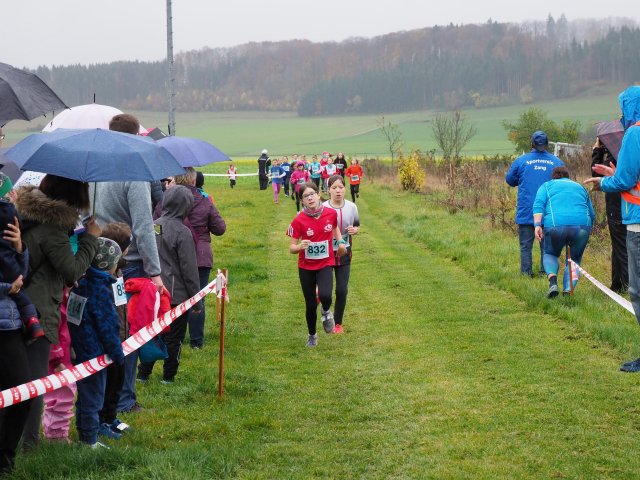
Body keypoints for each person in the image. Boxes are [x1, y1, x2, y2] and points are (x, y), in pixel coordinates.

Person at [15, 176, 100, 449]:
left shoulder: (28, 215)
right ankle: (29, 445)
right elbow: (72, 271)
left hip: (17, 307)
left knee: (16, 381)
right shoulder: (52, 227)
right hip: (38, 312)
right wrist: (90, 238)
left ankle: (16, 442)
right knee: (34, 384)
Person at [92, 113, 164, 414]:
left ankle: (99, 399)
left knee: (100, 332)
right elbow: (144, 227)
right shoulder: (134, 172)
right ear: (135, 137)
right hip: (128, 263)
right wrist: (155, 272)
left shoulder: (95, 168)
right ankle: (124, 399)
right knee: (128, 333)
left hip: (95, 259)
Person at [585, 86, 640, 372]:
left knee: (637, 292)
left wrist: (604, 182)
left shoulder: (634, 133)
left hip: (637, 223)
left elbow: (625, 181)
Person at [154, 168, 226, 349]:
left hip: (169, 254)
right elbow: (220, 228)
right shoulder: (204, 201)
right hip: (200, 255)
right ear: (194, 181)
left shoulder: (166, 199)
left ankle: (168, 336)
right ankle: (196, 341)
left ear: (176, 180)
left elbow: (156, 223)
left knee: (169, 296)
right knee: (197, 296)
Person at [138, 186, 202, 382]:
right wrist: (196, 300)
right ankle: (168, 376)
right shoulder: (183, 232)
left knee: (151, 335)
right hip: (176, 296)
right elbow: (189, 270)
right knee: (174, 338)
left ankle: (143, 374)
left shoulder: (151, 226)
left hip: (151, 292)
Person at [68, 238, 125, 448]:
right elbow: (108, 326)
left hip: (78, 348)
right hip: (94, 353)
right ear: (110, 265)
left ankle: (84, 432)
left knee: (85, 396)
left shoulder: (80, 284)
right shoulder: (101, 289)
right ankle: (89, 440)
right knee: (93, 397)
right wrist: (117, 354)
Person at [287, 182, 347, 347]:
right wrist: (300, 246)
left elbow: (335, 229)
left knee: (326, 295)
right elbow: (292, 248)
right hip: (306, 267)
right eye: (305, 196)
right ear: (302, 201)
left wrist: (341, 242)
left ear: (319, 194)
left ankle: (326, 311)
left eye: (312, 194)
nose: (310, 198)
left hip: (325, 262)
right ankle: (312, 335)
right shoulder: (298, 220)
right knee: (310, 304)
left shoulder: (330, 213)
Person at [0, 219, 34, 475]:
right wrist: (6, 287)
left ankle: (5, 460)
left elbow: (22, 277)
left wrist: (19, 247)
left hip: (9, 325)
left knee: (21, 394)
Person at [505, 131, 564, 277]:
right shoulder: (557, 162)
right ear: (547, 144)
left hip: (527, 210)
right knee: (547, 246)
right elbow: (563, 184)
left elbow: (510, 180)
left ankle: (526, 274)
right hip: (548, 211)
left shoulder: (521, 161)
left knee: (525, 245)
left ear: (532, 143)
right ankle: (546, 273)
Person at [533, 167, 595, 298]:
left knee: (550, 254)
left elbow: (538, 205)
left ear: (553, 176)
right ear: (568, 176)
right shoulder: (580, 187)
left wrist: (537, 225)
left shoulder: (546, 186)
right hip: (582, 226)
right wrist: (588, 229)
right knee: (574, 260)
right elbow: (591, 213)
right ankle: (568, 290)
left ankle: (553, 283)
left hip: (555, 225)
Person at [97, 223, 133, 439]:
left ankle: (111, 417)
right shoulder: (104, 277)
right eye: (128, 245)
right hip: (108, 340)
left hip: (120, 337)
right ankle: (101, 420)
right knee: (107, 384)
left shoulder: (119, 271)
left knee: (118, 381)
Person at [0, 174, 43, 340]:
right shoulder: (10, 212)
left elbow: (23, 272)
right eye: (10, 191)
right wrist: (8, 288)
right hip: (10, 269)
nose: (14, 194)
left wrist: (19, 244)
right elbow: (21, 275)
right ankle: (32, 319)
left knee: (19, 287)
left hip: (10, 316)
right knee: (19, 289)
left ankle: (32, 320)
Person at [323, 175, 360, 334]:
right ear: (328, 190)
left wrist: (355, 230)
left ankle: (337, 323)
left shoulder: (352, 207)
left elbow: (357, 225)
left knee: (341, 290)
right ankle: (325, 311)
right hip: (326, 253)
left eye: (341, 187)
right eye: (334, 188)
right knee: (325, 291)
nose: (338, 191)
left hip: (345, 253)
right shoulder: (323, 207)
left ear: (345, 189)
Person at [591, 138, 628, 293]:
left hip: (617, 208)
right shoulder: (631, 155)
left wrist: (597, 150)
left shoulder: (614, 158)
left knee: (621, 247)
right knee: (621, 246)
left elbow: (595, 173)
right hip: (630, 207)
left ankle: (628, 286)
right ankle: (617, 285)